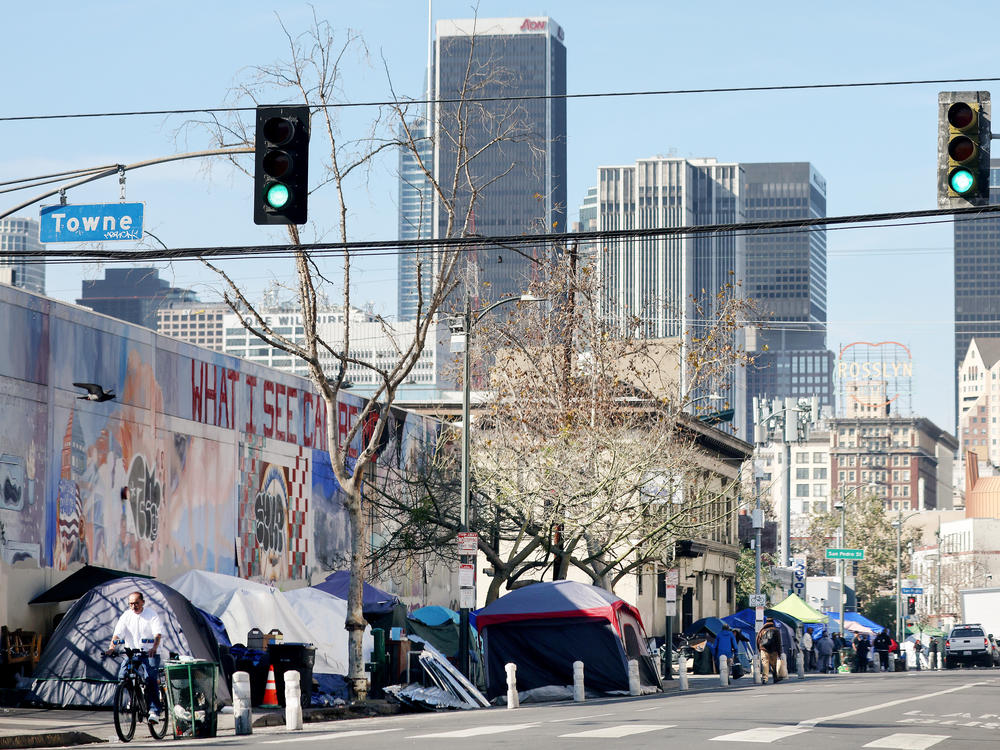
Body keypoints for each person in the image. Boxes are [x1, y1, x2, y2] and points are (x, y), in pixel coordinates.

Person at [107, 591, 164, 723]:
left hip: (149, 652)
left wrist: (154, 648)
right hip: (132, 652)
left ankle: (154, 710)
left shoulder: (151, 615)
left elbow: (157, 634)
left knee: (150, 678)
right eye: (131, 604)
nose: (134, 606)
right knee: (123, 675)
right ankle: (134, 698)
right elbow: (118, 634)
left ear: (143, 602)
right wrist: (112, 647)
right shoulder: (126, 616)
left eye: (136, 603)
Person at [757, 618, 784, 684]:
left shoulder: (762, 630)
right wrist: (779, 652)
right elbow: (778, 642)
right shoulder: (776, 630)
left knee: (765, 664)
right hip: (773, 650)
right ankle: (775, 678)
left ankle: (764, 679)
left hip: (763, 649)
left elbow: (758, 640)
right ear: (773, 622)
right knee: (773, 665)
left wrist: (759, 649)